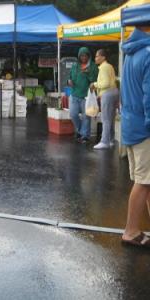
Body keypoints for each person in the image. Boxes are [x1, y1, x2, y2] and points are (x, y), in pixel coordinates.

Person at [120, 26, 150, 248]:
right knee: (143, 182)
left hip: (131, 126)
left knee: (147, 181)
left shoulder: (130, 53)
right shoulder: (148, 53)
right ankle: (130, 231)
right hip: (144, 129)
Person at [68, 47, 98, 143]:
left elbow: (95, 80)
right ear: (79, 56)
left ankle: (85, 135)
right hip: (74, 94)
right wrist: (69, 81)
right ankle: (81, 131)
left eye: (85, 55)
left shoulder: (93, 66)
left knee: (86, 116)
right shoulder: (75, 66)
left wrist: (88, 73)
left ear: (88, 56)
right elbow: (69, 77)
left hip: (86, 96)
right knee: (73, 114)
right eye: (81, 55)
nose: (83, 57)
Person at [90, 49, 119, 150]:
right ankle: (110, 140)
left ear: (103, 57)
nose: (95, 58)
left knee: (106, 119)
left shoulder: (104, 67)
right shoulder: (109, 66)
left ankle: (104, 141)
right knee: (110, 119)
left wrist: (95, 84)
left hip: (107, 94)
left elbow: (106, 83)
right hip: (114, 92)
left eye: (97, 56)